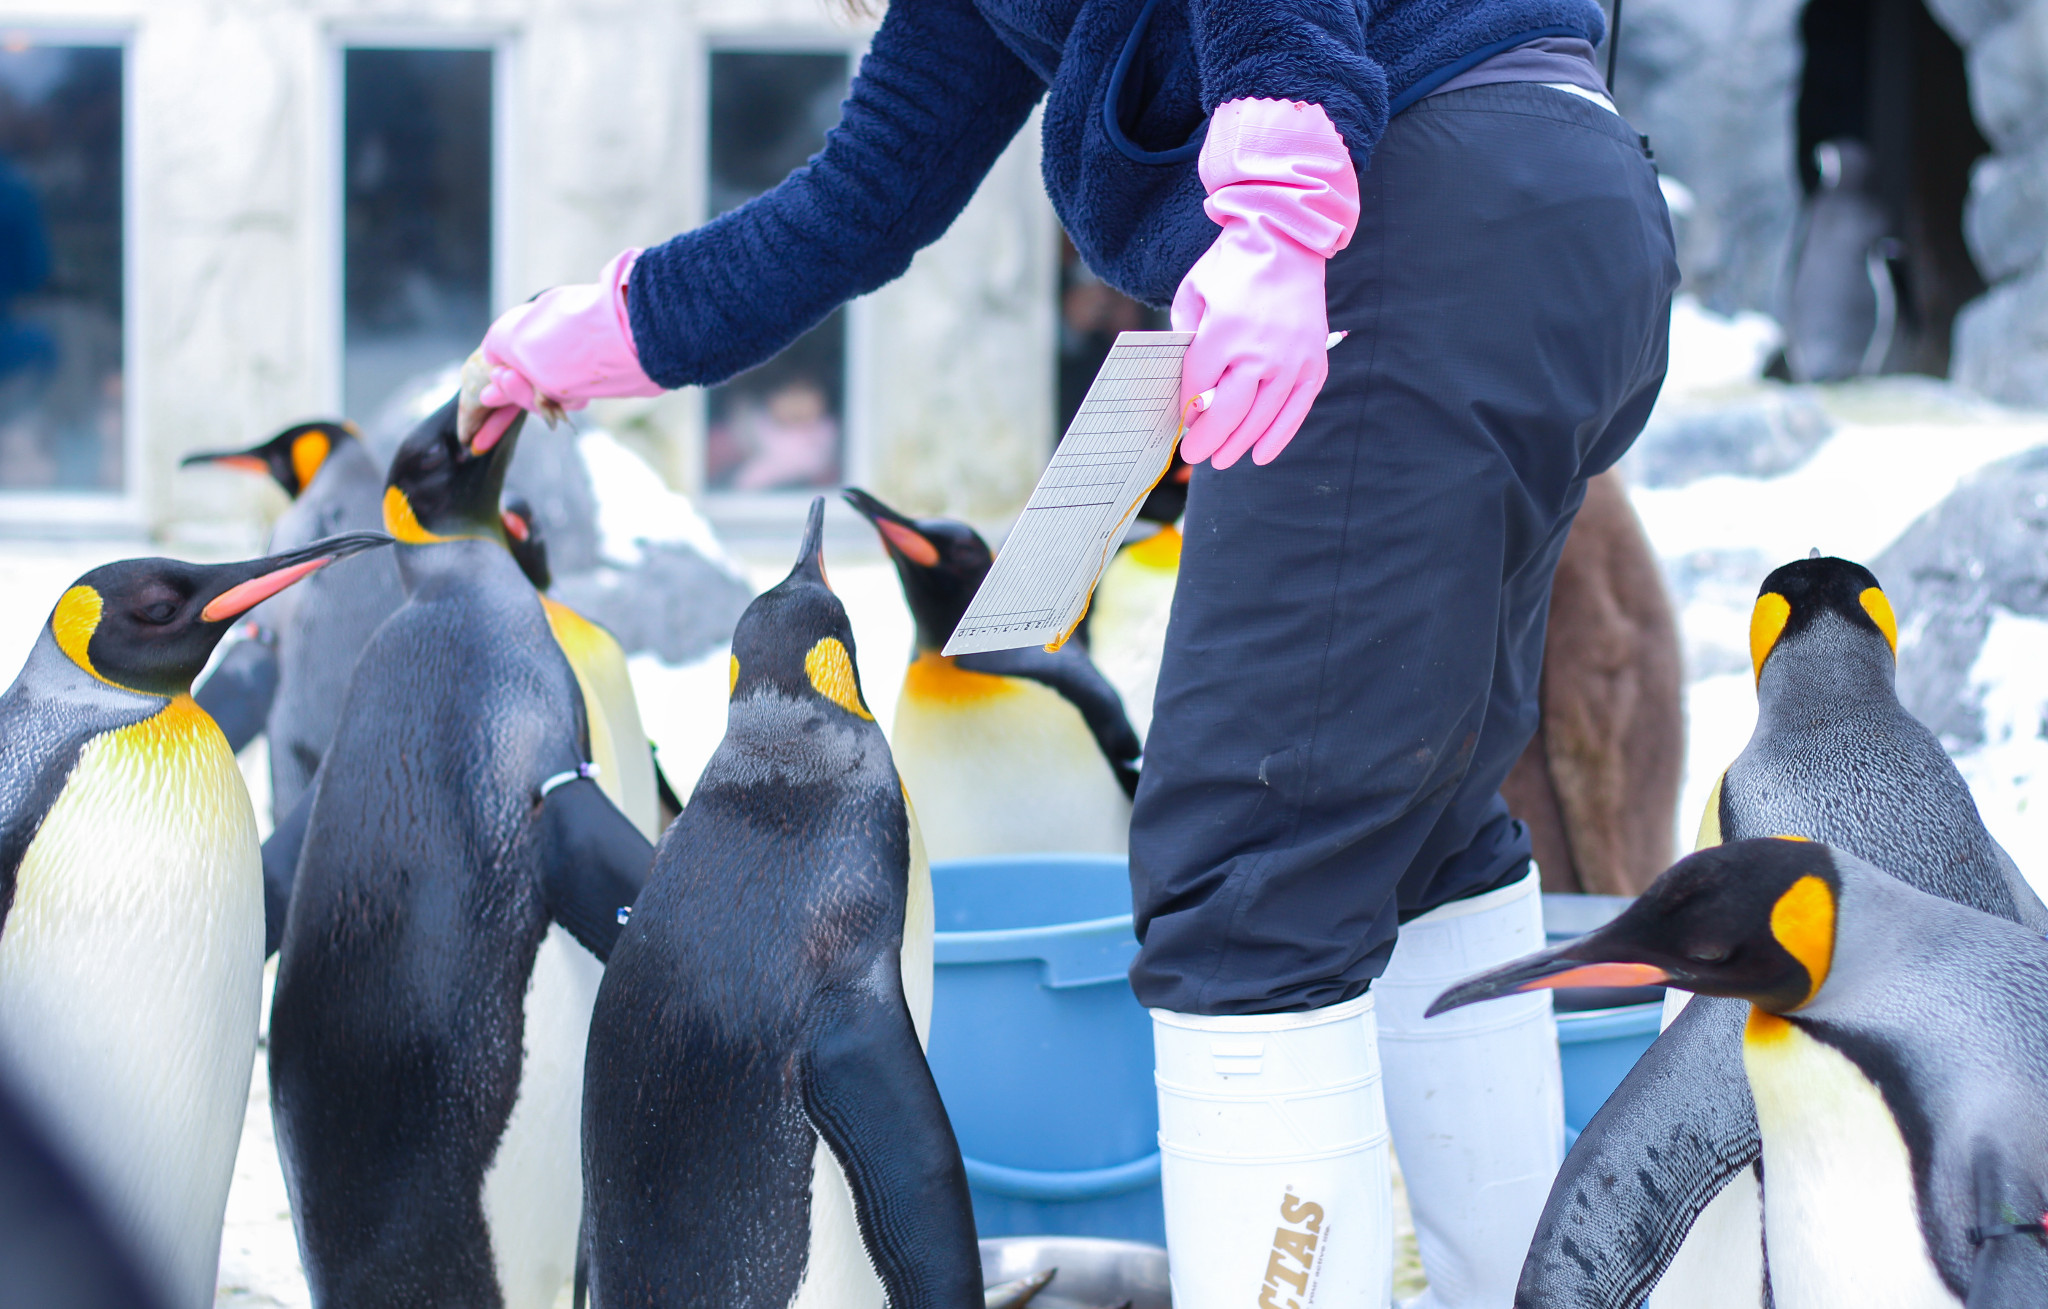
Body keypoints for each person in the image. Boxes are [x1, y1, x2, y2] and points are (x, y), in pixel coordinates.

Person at [459, 0, 1678, 1301]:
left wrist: (1274, 217)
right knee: (1426, 835)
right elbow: (858, 203)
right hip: (1550, 213)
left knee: (1248, 888)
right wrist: (599, 331)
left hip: (1405, 230)